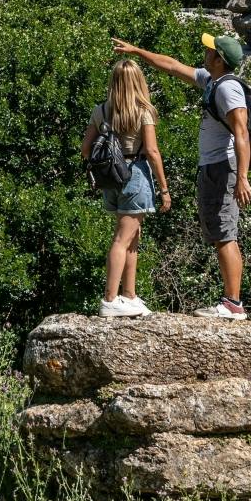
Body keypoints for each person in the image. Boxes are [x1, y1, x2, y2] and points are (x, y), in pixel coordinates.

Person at [110, 32, 251, 320]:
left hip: (223, 168)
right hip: (213, 167)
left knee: (226, 234)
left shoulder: (228, 89)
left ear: (219, 59)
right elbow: (173, 66)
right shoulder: (211, 80)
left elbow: (242, 133)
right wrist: (137, 51)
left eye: (210, 51)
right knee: (219, 232)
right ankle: (231, 301)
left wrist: (242, 177)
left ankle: (233, 303)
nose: (205, 52)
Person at [80, 58, 171, 317]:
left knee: (133, 237)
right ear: (138, 82)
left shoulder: (101, 110)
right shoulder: (143, 111)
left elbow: (86, 150)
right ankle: (110, 299)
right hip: (136, 174)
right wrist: (164, 189)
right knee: (122, 239)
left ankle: (129, 296)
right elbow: (152, 151)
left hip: (112, 179)